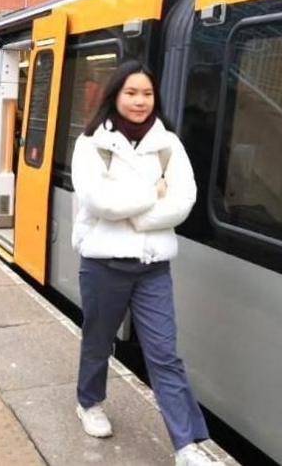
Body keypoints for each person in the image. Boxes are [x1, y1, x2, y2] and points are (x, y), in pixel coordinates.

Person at [70, 60, 218, 466]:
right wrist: (153, 194)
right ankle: (90, 402)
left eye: (147, 93)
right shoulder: (91, 143)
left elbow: (183, 200)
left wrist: (135, 212)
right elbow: (98, 201)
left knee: (165, 354)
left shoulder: (168, 143)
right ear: (115, 95)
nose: (139, 101)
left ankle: (186, 446)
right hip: (104, 265)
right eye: (131, 93)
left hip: (153, 266)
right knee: (99, 341)